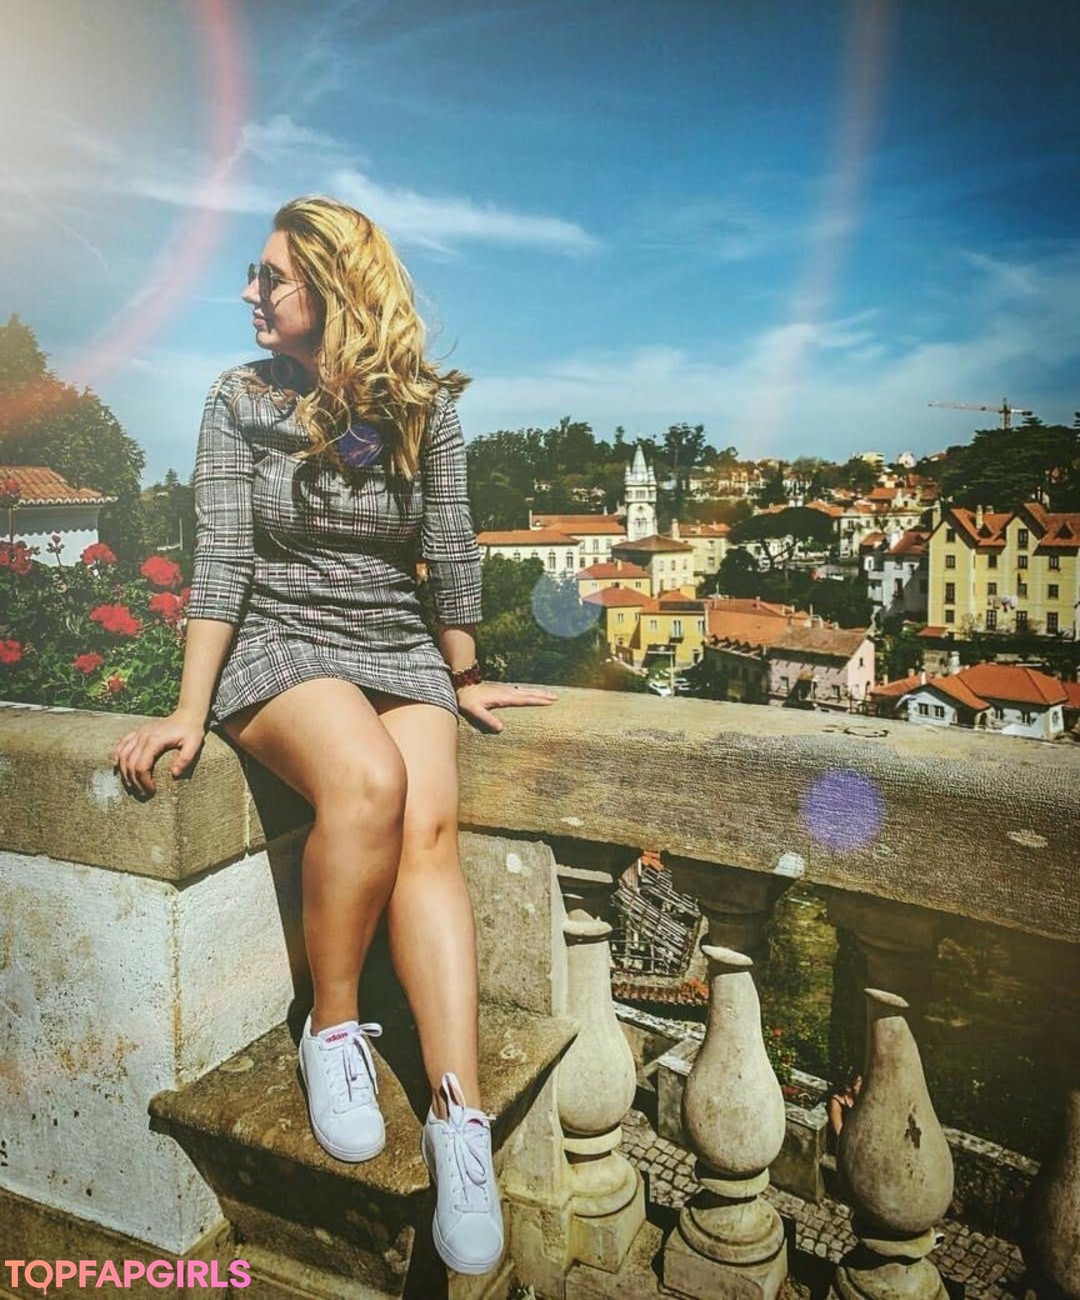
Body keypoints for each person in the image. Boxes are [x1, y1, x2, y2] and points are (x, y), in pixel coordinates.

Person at [113, 196, 556, 1276]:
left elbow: (450, 546)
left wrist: (465, 674)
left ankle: (456, 1116)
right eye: (253, 275)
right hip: (279, 635)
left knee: (430, 825)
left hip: (392, 634)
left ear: (334, 286)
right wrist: (187, 708)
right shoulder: (238, 399)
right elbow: (223, 556)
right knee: (367, 782)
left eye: (269, 276)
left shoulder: (422, 411)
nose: (249, 293)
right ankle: (334, 1026)